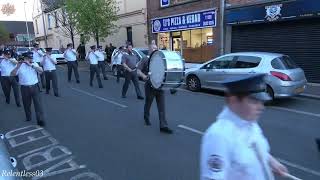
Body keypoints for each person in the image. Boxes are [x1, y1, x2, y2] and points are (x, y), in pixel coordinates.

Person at [200, 74, 288, 180]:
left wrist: (272, 162)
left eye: (261, 101)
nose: (261, 107)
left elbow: (254, 148)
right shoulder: (219, 136)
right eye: (254, 101)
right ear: (234, 101)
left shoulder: (250, 123)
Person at [137, 44, 173, 134]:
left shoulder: (160, 59)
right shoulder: (145, 59)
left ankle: (163, 126)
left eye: (156, 48)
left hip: (160, 86)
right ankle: (146, 117)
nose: (154, 50)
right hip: (150, 86)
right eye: (153, 48)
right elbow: (138, 70)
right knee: (148, 103)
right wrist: (144, 76)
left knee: (162, 107)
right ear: (149, 50)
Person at [10, 52, 45, 126]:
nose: (30, 59)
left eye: (31, 58)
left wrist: (31, 65)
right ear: (24, 58)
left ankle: (40, 120)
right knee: (26, 104)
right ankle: (28, 116)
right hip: (24, 88)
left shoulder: (34, 64)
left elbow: (41, 70)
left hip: (35, 87)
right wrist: (18, 66)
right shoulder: (20, 65)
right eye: (28, 58)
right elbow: (12, 74)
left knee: (38, 104)